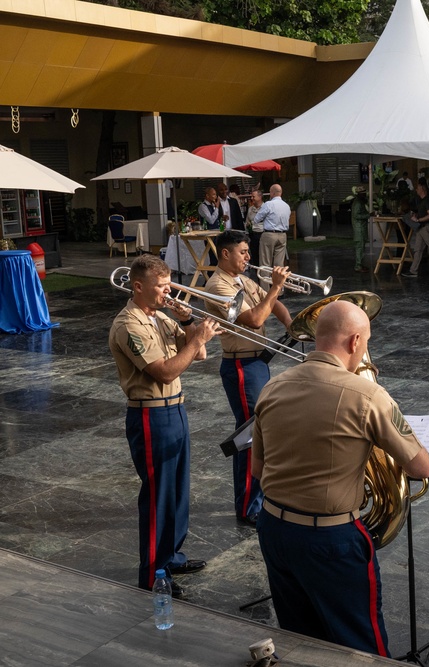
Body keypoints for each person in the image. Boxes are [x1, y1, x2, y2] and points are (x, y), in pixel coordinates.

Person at [252, 300, 429, 655]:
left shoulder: (273, 387)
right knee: (360, 645)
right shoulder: (367, 395)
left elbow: (259, 470)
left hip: (274, 529)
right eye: (366, 341)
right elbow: (421, 467)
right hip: (331, 540)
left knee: (299, 639)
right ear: (354, 342)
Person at [108, 255, 221, 596]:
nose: (168, 292)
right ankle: (153, 574)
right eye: (161, 287)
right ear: (139, 287)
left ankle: (171, 557)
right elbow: (165, 371)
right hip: (150, 414)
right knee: (159, 495)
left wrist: (187, 324)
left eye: (169, 284)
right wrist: (197, 339)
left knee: (178, 491)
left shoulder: (158, 316)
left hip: (175, 409)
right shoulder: (128, 325)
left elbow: (196, 355)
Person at [204, 230, 293, 526]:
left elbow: (272, 305)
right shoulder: (218, 285)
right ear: (225, 254)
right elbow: (254, 319)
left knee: (261, 431)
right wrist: (275, 288)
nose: (248, 257)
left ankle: (259, 498)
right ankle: (248, 506)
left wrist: (296, 327)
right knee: (249, 436)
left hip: (257, 363)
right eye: (243, 252)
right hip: (241, 365)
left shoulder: (243, 279)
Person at [255, 184, 291, 290]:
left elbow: (257, 219)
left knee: (265, 264)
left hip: (269, 234)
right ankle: (279, 290)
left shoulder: (268, 204)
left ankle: (265, 291)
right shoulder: (286, 206)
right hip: (283, 235)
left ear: (272, 193)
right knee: (279, 265)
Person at [351, 185, 370, 273]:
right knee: (359, 247)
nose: (365, 195)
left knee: (361, 247)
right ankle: (358, 266)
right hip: (359, 229)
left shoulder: (360, 202)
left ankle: (360, 264)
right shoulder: (358, 203)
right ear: (359, 194)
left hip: (361, 228)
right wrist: (368, 215)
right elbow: (356, 215)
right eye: (363, 193)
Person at [246, 188, 264, 269]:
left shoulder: (265, 208)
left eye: (253, 196)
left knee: (263, 255)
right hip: (253, 234)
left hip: (262, 234)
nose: (251, 198)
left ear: (260, 197)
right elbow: (247, 221)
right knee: (254, 255)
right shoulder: (250, 209)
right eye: (251, 196)